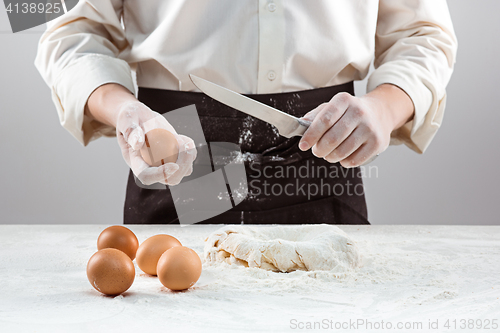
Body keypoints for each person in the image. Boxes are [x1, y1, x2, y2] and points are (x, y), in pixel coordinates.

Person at [35, 0, 457, 225]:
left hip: (324, 146)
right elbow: (59, 25)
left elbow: (424, 34)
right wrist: (123, 109)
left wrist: (384, 107)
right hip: (180, 150)